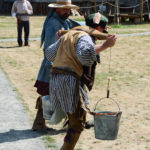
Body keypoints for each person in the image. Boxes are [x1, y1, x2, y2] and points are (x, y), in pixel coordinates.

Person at [45, 12, 117, 150]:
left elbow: (50, 54)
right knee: (77, 122)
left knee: (75, 119)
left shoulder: (69, 35)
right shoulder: (85, 37)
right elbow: (84, 56)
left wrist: (60, 43)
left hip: (57, 79)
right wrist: (105, 46)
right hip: (69, 81)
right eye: (103, 30)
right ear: (99, 29)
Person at [32, 0, 80, 131]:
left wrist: (93, 27)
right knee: (51, 94)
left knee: (54, 94)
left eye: (68, 9)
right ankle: (40, 123)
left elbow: (76, 27)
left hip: (62, 65)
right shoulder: (54, 24)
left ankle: (40, 123)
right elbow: (49, 48)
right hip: (54, 67)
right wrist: (54, 67)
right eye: (64, 9)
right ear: (57, 9)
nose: (67, 12)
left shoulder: (64, 21)